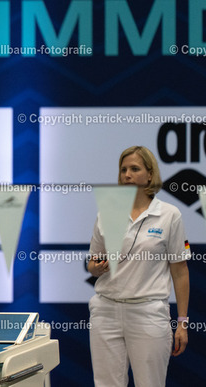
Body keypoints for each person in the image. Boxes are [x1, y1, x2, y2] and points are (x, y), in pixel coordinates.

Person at [87, 145, 190, 386]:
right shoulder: (107, 212)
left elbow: (180, 272)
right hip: (105, 312)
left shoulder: (169, 214)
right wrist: (96, 268)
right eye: (123, 170)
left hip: (148, 313)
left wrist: (182, 322)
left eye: (135, 169)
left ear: (150, 175)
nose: (127, 175)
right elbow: (92, 262)